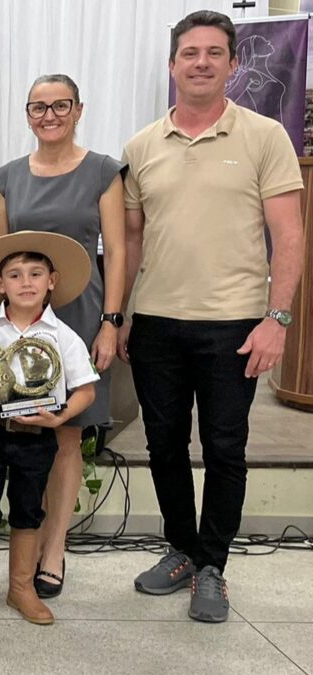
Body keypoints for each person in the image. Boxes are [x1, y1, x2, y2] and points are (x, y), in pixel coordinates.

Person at [119, 10, 303, 623]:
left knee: (226, 448)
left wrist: (278, 318)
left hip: (235, 325)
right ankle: (181, 550)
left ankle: (214, 567)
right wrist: (119, 317)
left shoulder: (265, 137)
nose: (200, 62)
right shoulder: (142, 145)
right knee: (163, 445)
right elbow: (133, 241)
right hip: (156, 323)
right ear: (172, 65)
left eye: (213, 53)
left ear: (232, 62)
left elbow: (291, 237)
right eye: (189, 53)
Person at [0, 73, 127, 598]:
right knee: (20, 427)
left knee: (67, 431)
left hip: (78, 314)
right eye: (38, 107)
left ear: (78, 109)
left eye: (60, 105)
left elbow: (114, 252)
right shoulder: (7, 177)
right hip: (18, 316)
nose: (49, 115)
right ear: (27, 115)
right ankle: (24, 536)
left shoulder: (102, 171)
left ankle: (54, 548)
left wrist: (111, 323)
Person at [0, 231, 98, 629]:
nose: (26, 283)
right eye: (15, 275)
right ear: (0, 285)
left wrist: (62, 417)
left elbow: (85, 389)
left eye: (35, 273)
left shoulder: (61, 336)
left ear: (52, 280)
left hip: (37, 438)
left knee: (29, 511)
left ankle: (21, 589)